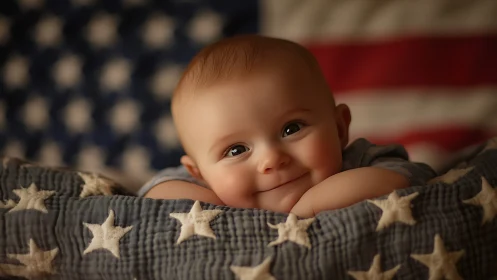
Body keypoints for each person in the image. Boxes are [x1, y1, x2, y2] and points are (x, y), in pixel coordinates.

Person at [138, 35, 435, 217]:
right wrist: (215, 204)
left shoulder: (359, 162)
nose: (271, 159)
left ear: (340, 128)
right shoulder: (199, 185)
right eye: (236, 150)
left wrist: (310, 207)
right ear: (199, 173)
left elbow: (407, 177)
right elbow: (153, 197)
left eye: (291, 129)